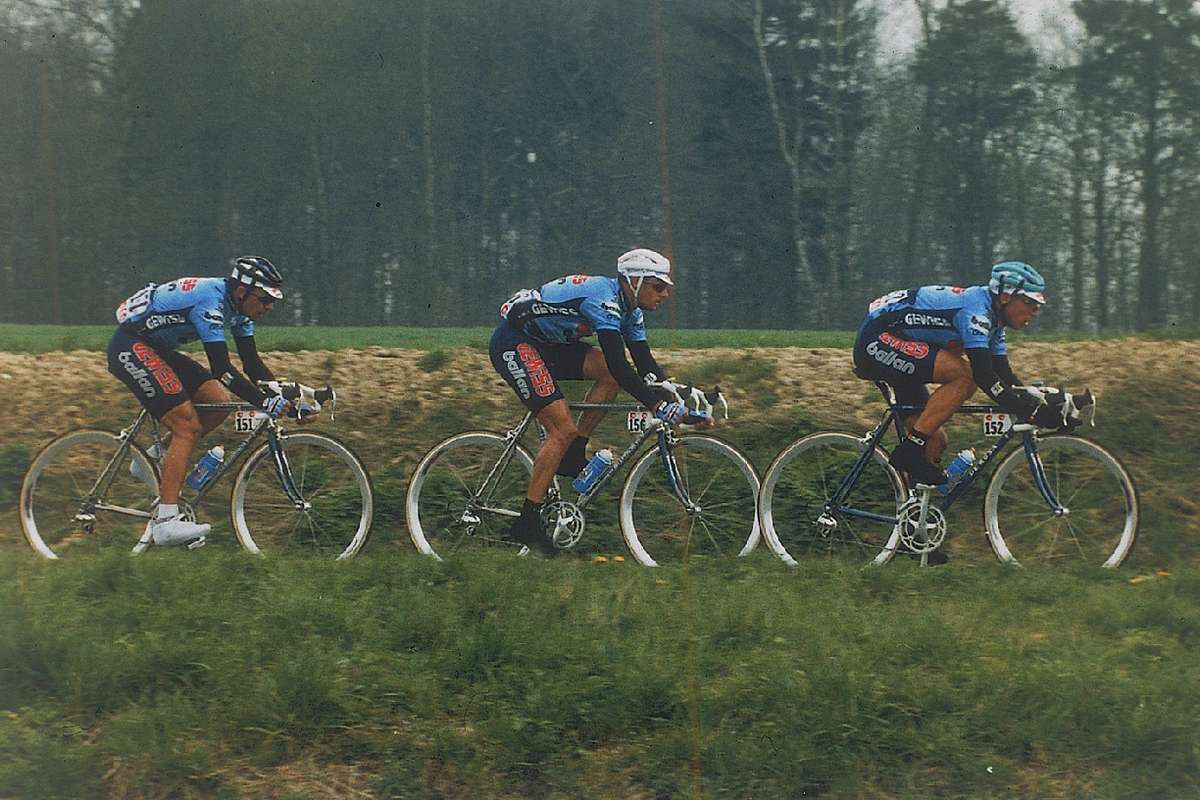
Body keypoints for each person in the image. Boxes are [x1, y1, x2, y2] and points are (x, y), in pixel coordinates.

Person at [488, 248, 700, 555]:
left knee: (608, 378)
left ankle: (573, 454)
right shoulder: (602, 299)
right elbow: (619, 363)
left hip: (549, 345)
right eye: (658, 286)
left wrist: (677, 402)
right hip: (515, 342)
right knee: (561, 429)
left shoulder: (631, 311)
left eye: (666, 287)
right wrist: (655, 405)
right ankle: (528, 522)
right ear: (635, 281)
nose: (665, 294)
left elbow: (645, 365)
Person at [108, 256, 292, 547]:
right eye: (265, 299)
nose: (269, 307)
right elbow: (221, 369)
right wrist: (264, 402)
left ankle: (156, 456)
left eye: (273, 301)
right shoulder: (210, 301)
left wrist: (283, 394)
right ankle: (165, 523)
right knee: (187, 426)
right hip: (130, 345)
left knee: (218, 401)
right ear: (242, 290)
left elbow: (252, 365)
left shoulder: (240, 309)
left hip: (156, 347)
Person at [853, 261, 1071, 487]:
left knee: (935, 441)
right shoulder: (975, 312)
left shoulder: (994, 322)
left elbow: (1004, 375)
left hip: (902, 341)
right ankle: (909, 450)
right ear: (1006, 297)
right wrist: (1029, 410)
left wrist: (1038, 403)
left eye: (1037, 306)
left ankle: (912, 515)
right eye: (1029, 303)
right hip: (876, 340)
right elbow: (984, 376)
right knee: (965, 376)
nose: (1034, 312)